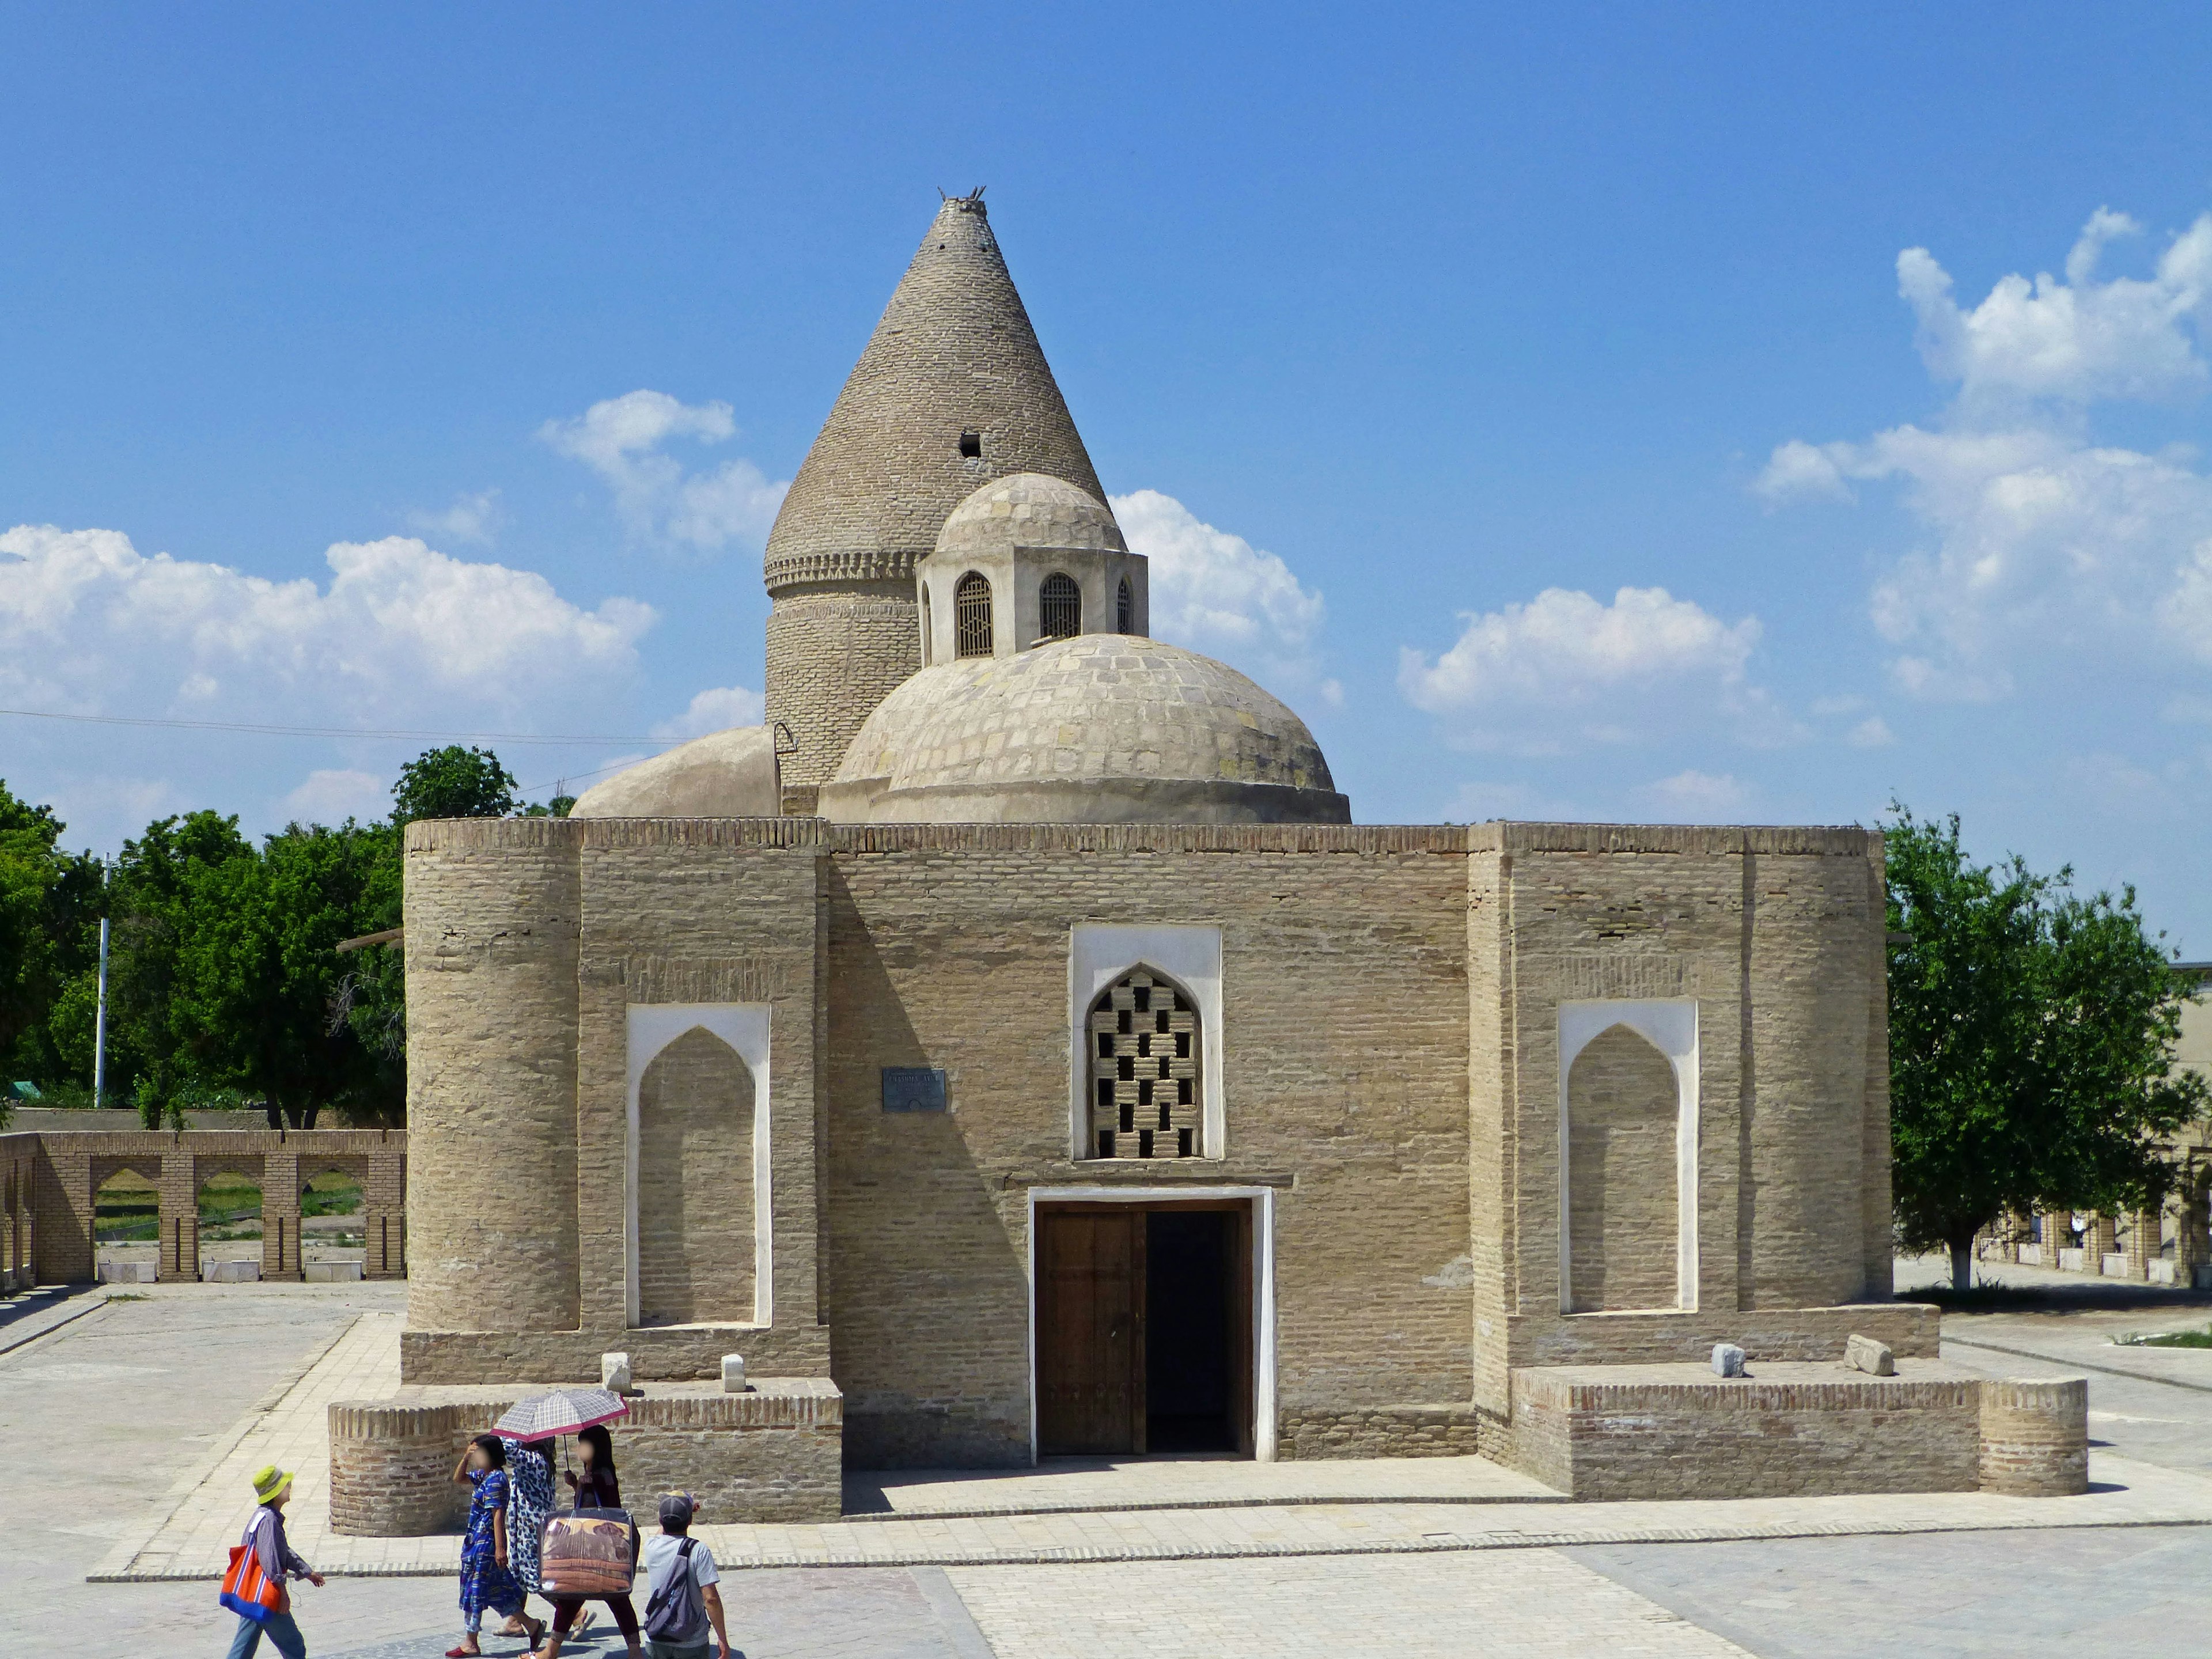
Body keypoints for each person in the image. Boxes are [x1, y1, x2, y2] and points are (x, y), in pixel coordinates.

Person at [533, 1422, 642, 1659]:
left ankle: (550, 1652)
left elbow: (597, 1512)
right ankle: (634, 1652)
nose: (579, 1450)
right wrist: (577, 1486)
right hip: (600, 1546)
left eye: (583, 1445)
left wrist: (583, 1484)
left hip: (603, 1547)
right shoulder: (597, 1476)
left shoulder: (599, 1477)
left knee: (610, 1597)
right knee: (578, 1599)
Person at [450, 1434, 544, 1658]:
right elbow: (459, 1479)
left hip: (485, 1546)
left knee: (475, 1591)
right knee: (496, 1593)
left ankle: (470, 1641)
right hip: (474, 1543)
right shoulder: (483, 1476)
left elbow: (498, 1516)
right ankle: (532, 1626)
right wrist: (465, 1457)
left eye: (479, 1453)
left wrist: (500, 1549)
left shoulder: (496, 1480)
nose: (476, 1458)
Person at [224, 1464, 324, 1659]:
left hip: (252, 1593)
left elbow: (282, 1550)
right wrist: (282, 1594)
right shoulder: (270, 1520)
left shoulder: (260, 1516)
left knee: (242, 1649)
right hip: (267, 1593)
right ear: (276, 1492)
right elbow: (271, 1560)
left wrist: (306, 1571)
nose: (290, 1486)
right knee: (294, 1646)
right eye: (286, 1484)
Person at [639, 1493, 734, 1659]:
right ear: (690, 1521)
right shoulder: (699, 1551)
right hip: (691, 1640)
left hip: (657, 1635)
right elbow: (711, 1599)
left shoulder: (651, 1546)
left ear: (661, 1520)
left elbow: (662, 1531)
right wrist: (723, 1639)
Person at [496, 1435, 557, 1639]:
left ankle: (574, 1614)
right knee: (519, 1575)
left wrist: (512, 1435)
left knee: (535, 1577)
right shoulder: (540, 1459)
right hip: (523, 1528)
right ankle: (515, 1622)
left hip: (530, 1530)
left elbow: (506, 1450)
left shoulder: (533, 1460)